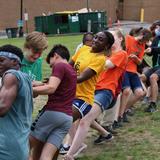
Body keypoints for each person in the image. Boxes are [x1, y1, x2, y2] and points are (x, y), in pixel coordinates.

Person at [64, 30, 128, 160]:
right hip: (91, 89)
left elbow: (106, 65)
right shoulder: (90, 51)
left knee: (84, 119)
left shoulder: (121, 54)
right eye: (96, 37)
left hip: (105, 90)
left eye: (102, 38)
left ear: (116, 40)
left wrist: (90, 55)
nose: (96, 40)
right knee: (76, 115)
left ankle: (70, 154)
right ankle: (105, 134)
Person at [29, 44, 77, 160]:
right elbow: (59, 88)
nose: (52, 68)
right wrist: (41, 84)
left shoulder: (59, 65)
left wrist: (27, 89)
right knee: (46, 156)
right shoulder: (72, 70)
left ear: (55, 55)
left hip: (52, 113)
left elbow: (51, 88)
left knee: (24, 146)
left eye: (51, 64)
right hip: (67, 119)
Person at [0, 44, 33, 160]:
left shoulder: (11, 75)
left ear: (15, 62)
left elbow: (2, 108)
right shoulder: (26, 78)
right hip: (20, 145)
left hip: (6, 148)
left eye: (1, 60)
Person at [118, 28, 152, 123]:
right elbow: (119, 51)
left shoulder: (142, 45)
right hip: (123, 70)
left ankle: (123, 111)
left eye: (145, 41)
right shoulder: (128, 39)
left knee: (140, 93)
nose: (143, 43)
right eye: (144, 40)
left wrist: (136, 58)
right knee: (126, 91)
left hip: (133, 71)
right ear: (141, 35)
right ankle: (119, 116)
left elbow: (140, 62)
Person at [141, 24, 160, 112]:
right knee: (142, 78)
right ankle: (145, 96)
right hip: (156, 66)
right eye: (157, 27)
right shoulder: (156, 39)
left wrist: (152, 49)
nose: (157, 29)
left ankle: (153, 104)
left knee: (153, 77)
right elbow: (151, 52)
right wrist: (148, 48)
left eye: (159, 27)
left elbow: (156, 49)